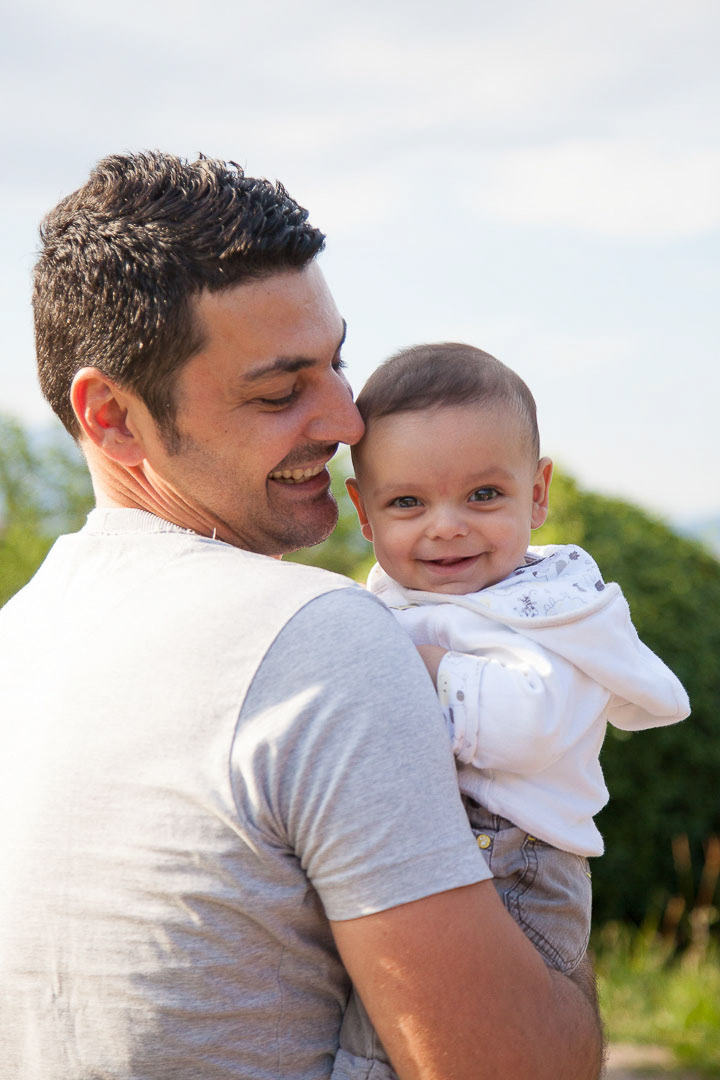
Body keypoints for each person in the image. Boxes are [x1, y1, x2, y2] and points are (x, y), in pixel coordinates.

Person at [0, 153, 603, 1080]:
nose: (348, 422)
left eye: (337, 364)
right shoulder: (319, 637)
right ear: (113, 417)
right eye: (280, 392)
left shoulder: (21, 636)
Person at [340, 342, 690, 1079]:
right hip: (441, 848)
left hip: (515, 864)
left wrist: (416, 665)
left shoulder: (550, 611)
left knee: (469, 1045)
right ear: (363, 512)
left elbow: (529, 727)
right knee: (386, 1027)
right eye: (406, 502)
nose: (446, 526)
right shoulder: (391, 597)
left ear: (536, 493)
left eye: (483, 495)